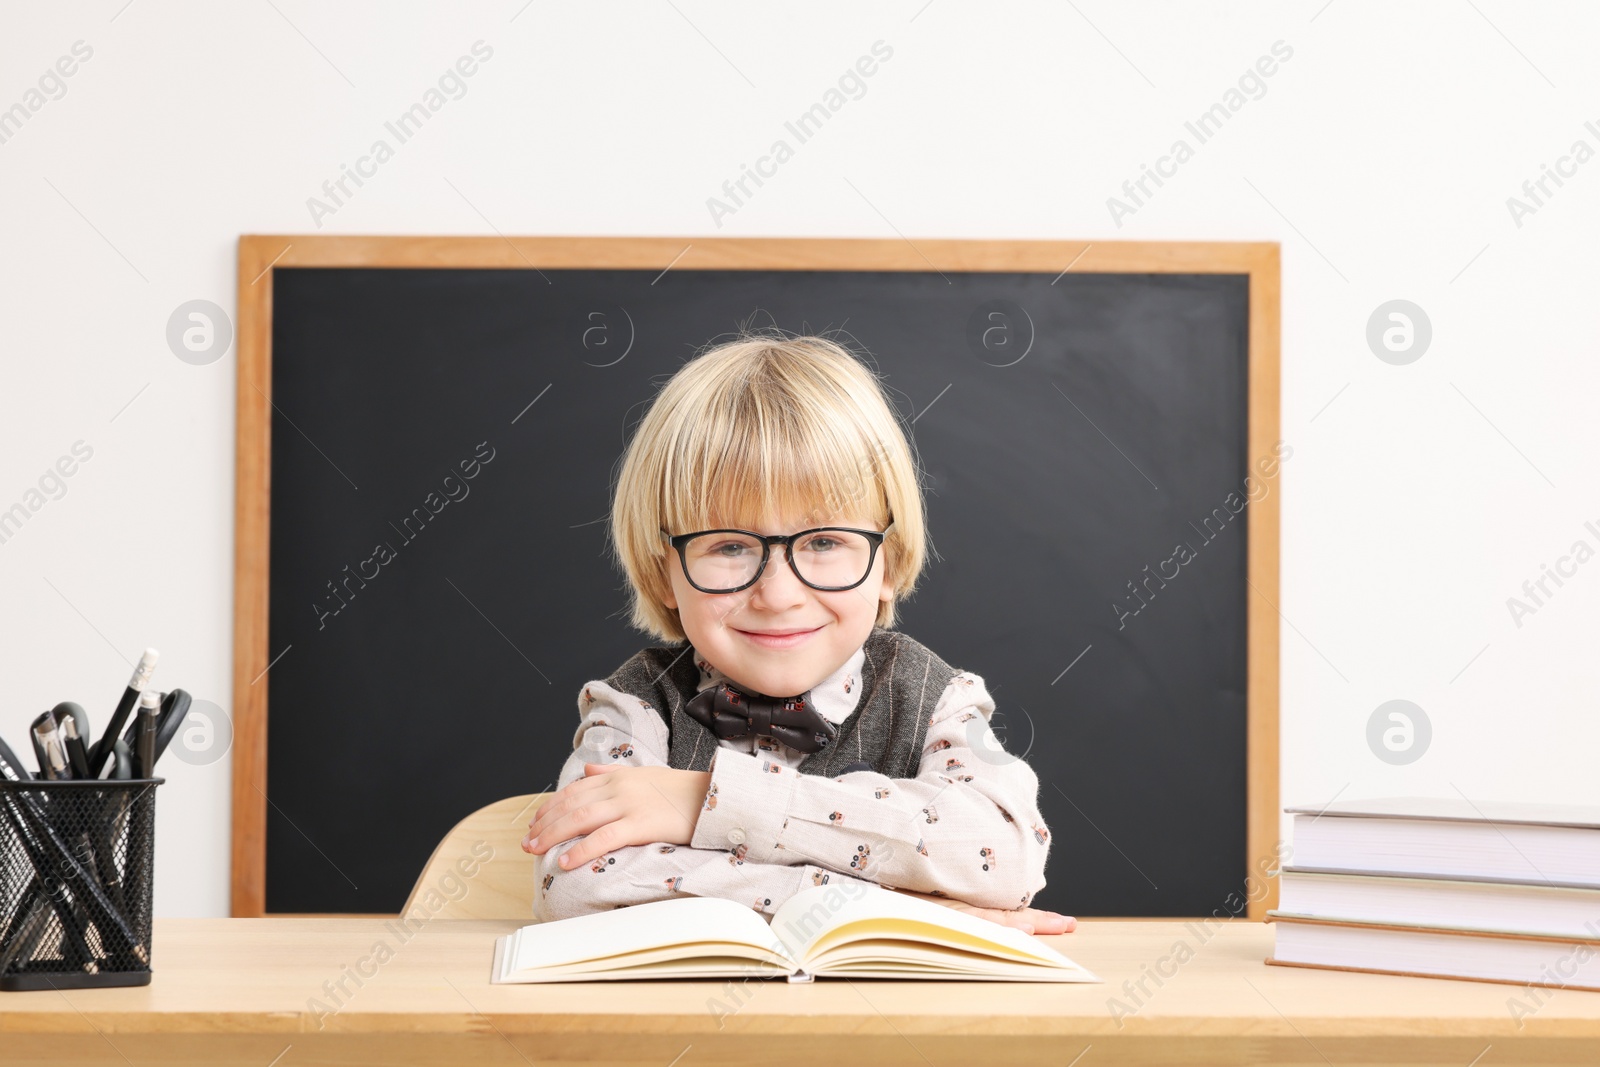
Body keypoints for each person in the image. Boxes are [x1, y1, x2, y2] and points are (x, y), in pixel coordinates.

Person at [523, 330, 1073, 936]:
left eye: (825, 542)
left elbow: (1006, 852)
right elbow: (578, 886)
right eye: (730, 546)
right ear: (664, 574)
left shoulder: (937, 698)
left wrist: (703, 800)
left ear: (886, 564)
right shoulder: (634, 707)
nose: (779, 595)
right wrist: (899, 908)